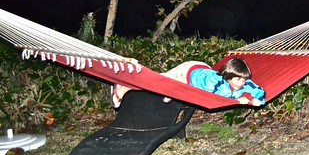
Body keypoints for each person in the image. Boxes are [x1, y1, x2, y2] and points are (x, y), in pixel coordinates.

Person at [111, 58, 266, 108]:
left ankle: (170, 92)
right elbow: (214, 98)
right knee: (158, 81)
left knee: (166, 88)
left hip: (203, 68)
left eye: (244, 79)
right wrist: (237, 101)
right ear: (228, 77)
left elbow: (259, 90)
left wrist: (258, 99)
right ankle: (124, 86)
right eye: (238, 79)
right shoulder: (214, 84)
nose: (242, 83)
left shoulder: (244, 82)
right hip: (187, 72)